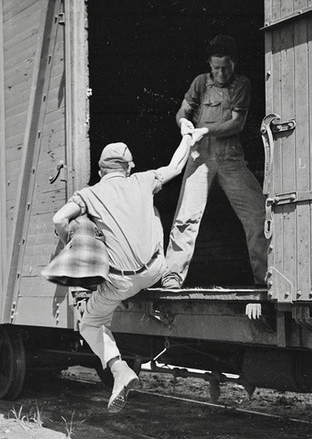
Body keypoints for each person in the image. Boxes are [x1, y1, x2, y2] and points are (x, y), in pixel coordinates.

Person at [52, 129, 207, 413]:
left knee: (90, 323)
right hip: (155, 269)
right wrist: (189, 138)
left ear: (100, 170)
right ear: (129, 167)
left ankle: (119, 369)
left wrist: (69, 241)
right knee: (153, 212)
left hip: (120, 283)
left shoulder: (89, 194)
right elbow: (175, 166)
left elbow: (59, 218)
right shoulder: (143, 179)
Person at [161, 35, 268, 289]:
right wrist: (183, 123)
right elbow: (182, 112)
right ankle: (172, 275)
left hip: (231, 158)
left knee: (257, 213)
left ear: (235, 63)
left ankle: (265, 277)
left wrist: (206, 130)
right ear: (209, 64)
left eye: (226, 67)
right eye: (216, 67)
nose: (221, 73)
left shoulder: (242, 84)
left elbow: (237, 123)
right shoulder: (200, 82)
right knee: (186, 216)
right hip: (200, 157)